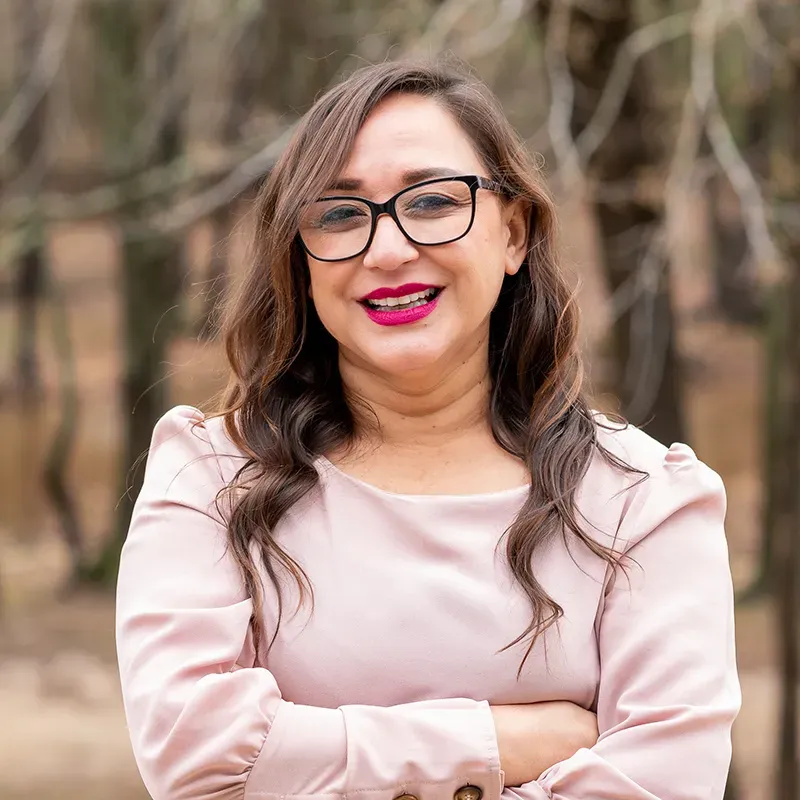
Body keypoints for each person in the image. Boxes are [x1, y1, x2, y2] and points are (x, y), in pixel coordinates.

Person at [115, 60, 740, 800]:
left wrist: (305, 759)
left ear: (513, 233)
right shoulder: (213, 477)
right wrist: (497, 745)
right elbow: (193, 757)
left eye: (435, 201)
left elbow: (667, 782)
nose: (387, 251)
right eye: (339, 214)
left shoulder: (642, 503)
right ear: (301, 260)